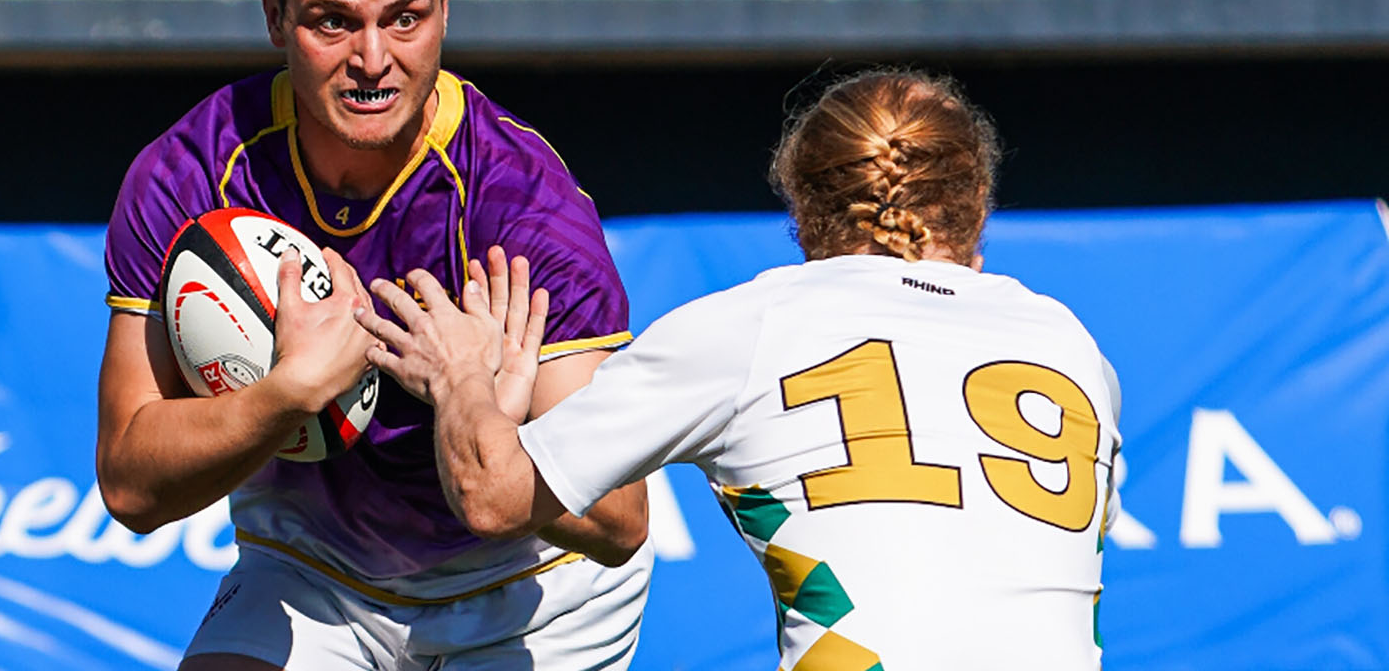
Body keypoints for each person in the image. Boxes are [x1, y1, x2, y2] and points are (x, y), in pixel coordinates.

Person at [365, 69, 1123, 671]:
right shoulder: (1070, 344)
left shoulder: (754, 325)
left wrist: (463, 375)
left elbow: (496, 498)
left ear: (801, 203)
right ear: (977, 205)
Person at [95, 0, 652, 671]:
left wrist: (469, 401)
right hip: (311, 574)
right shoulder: (190, 173)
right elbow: (131, 486)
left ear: (445, 7)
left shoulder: (522, 206)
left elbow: (616, 521)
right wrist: (291, 390)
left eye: (405, 18)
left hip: (533, 591)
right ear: (274, 15)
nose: (372, 58)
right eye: (332, 22)